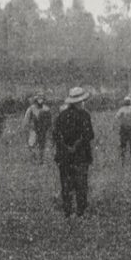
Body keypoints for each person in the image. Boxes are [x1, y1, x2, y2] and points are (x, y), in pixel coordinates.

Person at [52, 86, 95, 217]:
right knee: (81, 184)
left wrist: (66, 147)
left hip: (64, 156)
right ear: (79, 101)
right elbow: (89, 135)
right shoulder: (85, 115)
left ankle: (67, 210)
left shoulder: (61, 116)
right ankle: (80, 211)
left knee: (66, 184)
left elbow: (55, 136)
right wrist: (76, 146)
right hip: (81, 155)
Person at [115, 96, 131, 164]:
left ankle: (123, 159)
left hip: (124, 129)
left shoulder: (121, 109)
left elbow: (116, 117)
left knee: (123, 144)